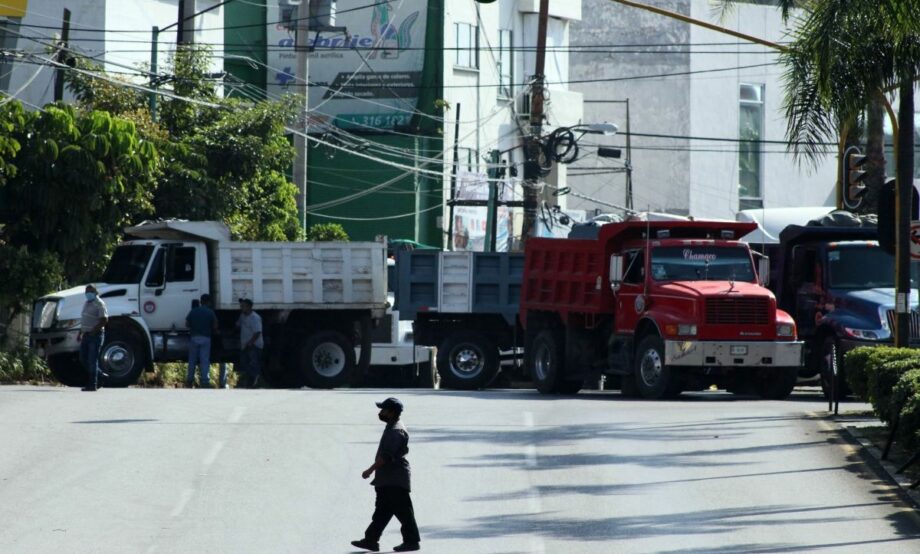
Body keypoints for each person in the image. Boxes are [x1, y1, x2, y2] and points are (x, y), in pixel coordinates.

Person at [351, 397, 420, 553]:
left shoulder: (396, 430)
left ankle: (412, 541)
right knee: (382, 511)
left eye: (383, 410)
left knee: (404, 512)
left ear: (391, 412)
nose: (380, 412)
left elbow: (387, 456)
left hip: (395, 479)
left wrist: (370, 470)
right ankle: (371, 540)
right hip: (388, 479)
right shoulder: (392, 426)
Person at [78, 284, 108, 392]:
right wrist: (80, 332)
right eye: (86, 291)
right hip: (85, 334)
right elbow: (85, 318)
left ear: (95, 292)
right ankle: (101, 376)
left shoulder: (99, 303)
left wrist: (94, 331)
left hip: (95, 335)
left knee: (92, 360)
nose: (88, 293)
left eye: (90, 291)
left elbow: (104, 319)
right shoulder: (87, 303)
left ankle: (92, 384)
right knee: (83, 358)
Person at [186, 293, 218, 388]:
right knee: (204, 360)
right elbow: (215, 326)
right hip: (206, 338)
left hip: (194, 338)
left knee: (192, 361)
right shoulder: (210, 312)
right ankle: (204, 381)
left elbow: (187, 324)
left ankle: (189, 381)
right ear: (208, 302)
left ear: (201, 301)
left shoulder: (193, 311)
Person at [236, 298, 263, 388]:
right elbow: (238, 325)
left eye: (243, 306)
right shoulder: (242, 316)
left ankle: (257, 380)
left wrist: (251, 342)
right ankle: (250, 382)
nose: (241, 308)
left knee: (253, 363)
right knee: (244, 363)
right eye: (241, 306)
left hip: (254, 345)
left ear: (249, 307)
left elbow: (258, 332)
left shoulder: (255, 317)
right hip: (245, 345)